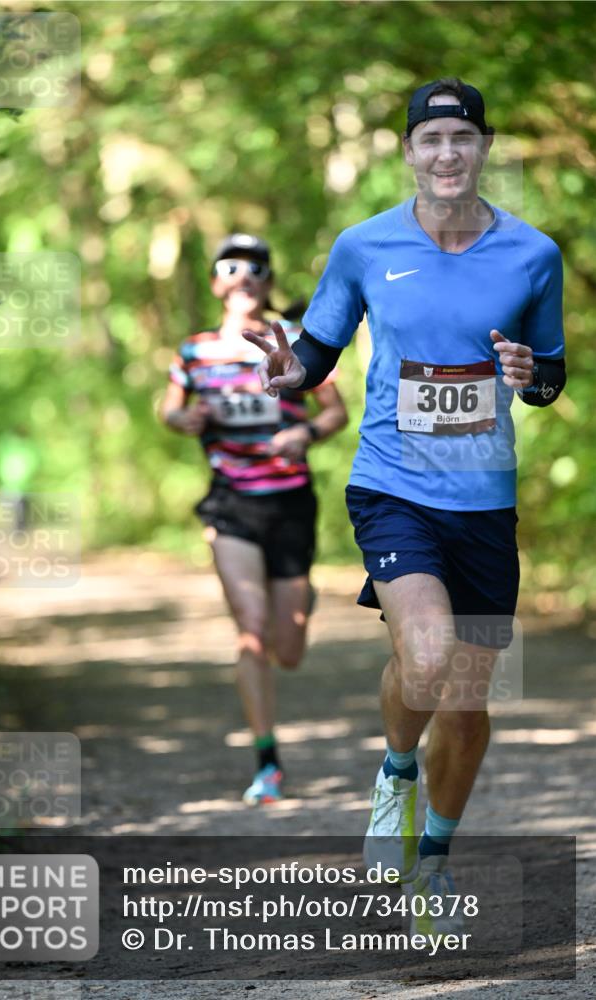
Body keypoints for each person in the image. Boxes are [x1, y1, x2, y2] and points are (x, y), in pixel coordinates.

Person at [244, 78, 566, 927]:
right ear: (408, 153)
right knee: (425, 660)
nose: (447, 153)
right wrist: (288, 373)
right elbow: (315, 349)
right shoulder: (363, 245)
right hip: (392, 486)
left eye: (462, 137)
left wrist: (533, 380)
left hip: (485, 500)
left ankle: (432, 859)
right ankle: (394, 773)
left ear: (485, 147)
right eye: (431, 140)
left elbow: (550, 373)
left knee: (465, 702)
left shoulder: (532, 254)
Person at [160, 233, 348, 804]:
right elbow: (169, 408)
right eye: (231, 267)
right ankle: (267, 762)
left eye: (257, 268)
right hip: (230, 502)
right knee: (250, 627)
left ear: (268, 281)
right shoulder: (192, 352)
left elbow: (336, 410)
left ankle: (298, 602)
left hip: (289, 501)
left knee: (286, 648)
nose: (245, 276)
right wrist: (186, 418)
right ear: (218, 282)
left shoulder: (298, 339)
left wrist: (305, 432)